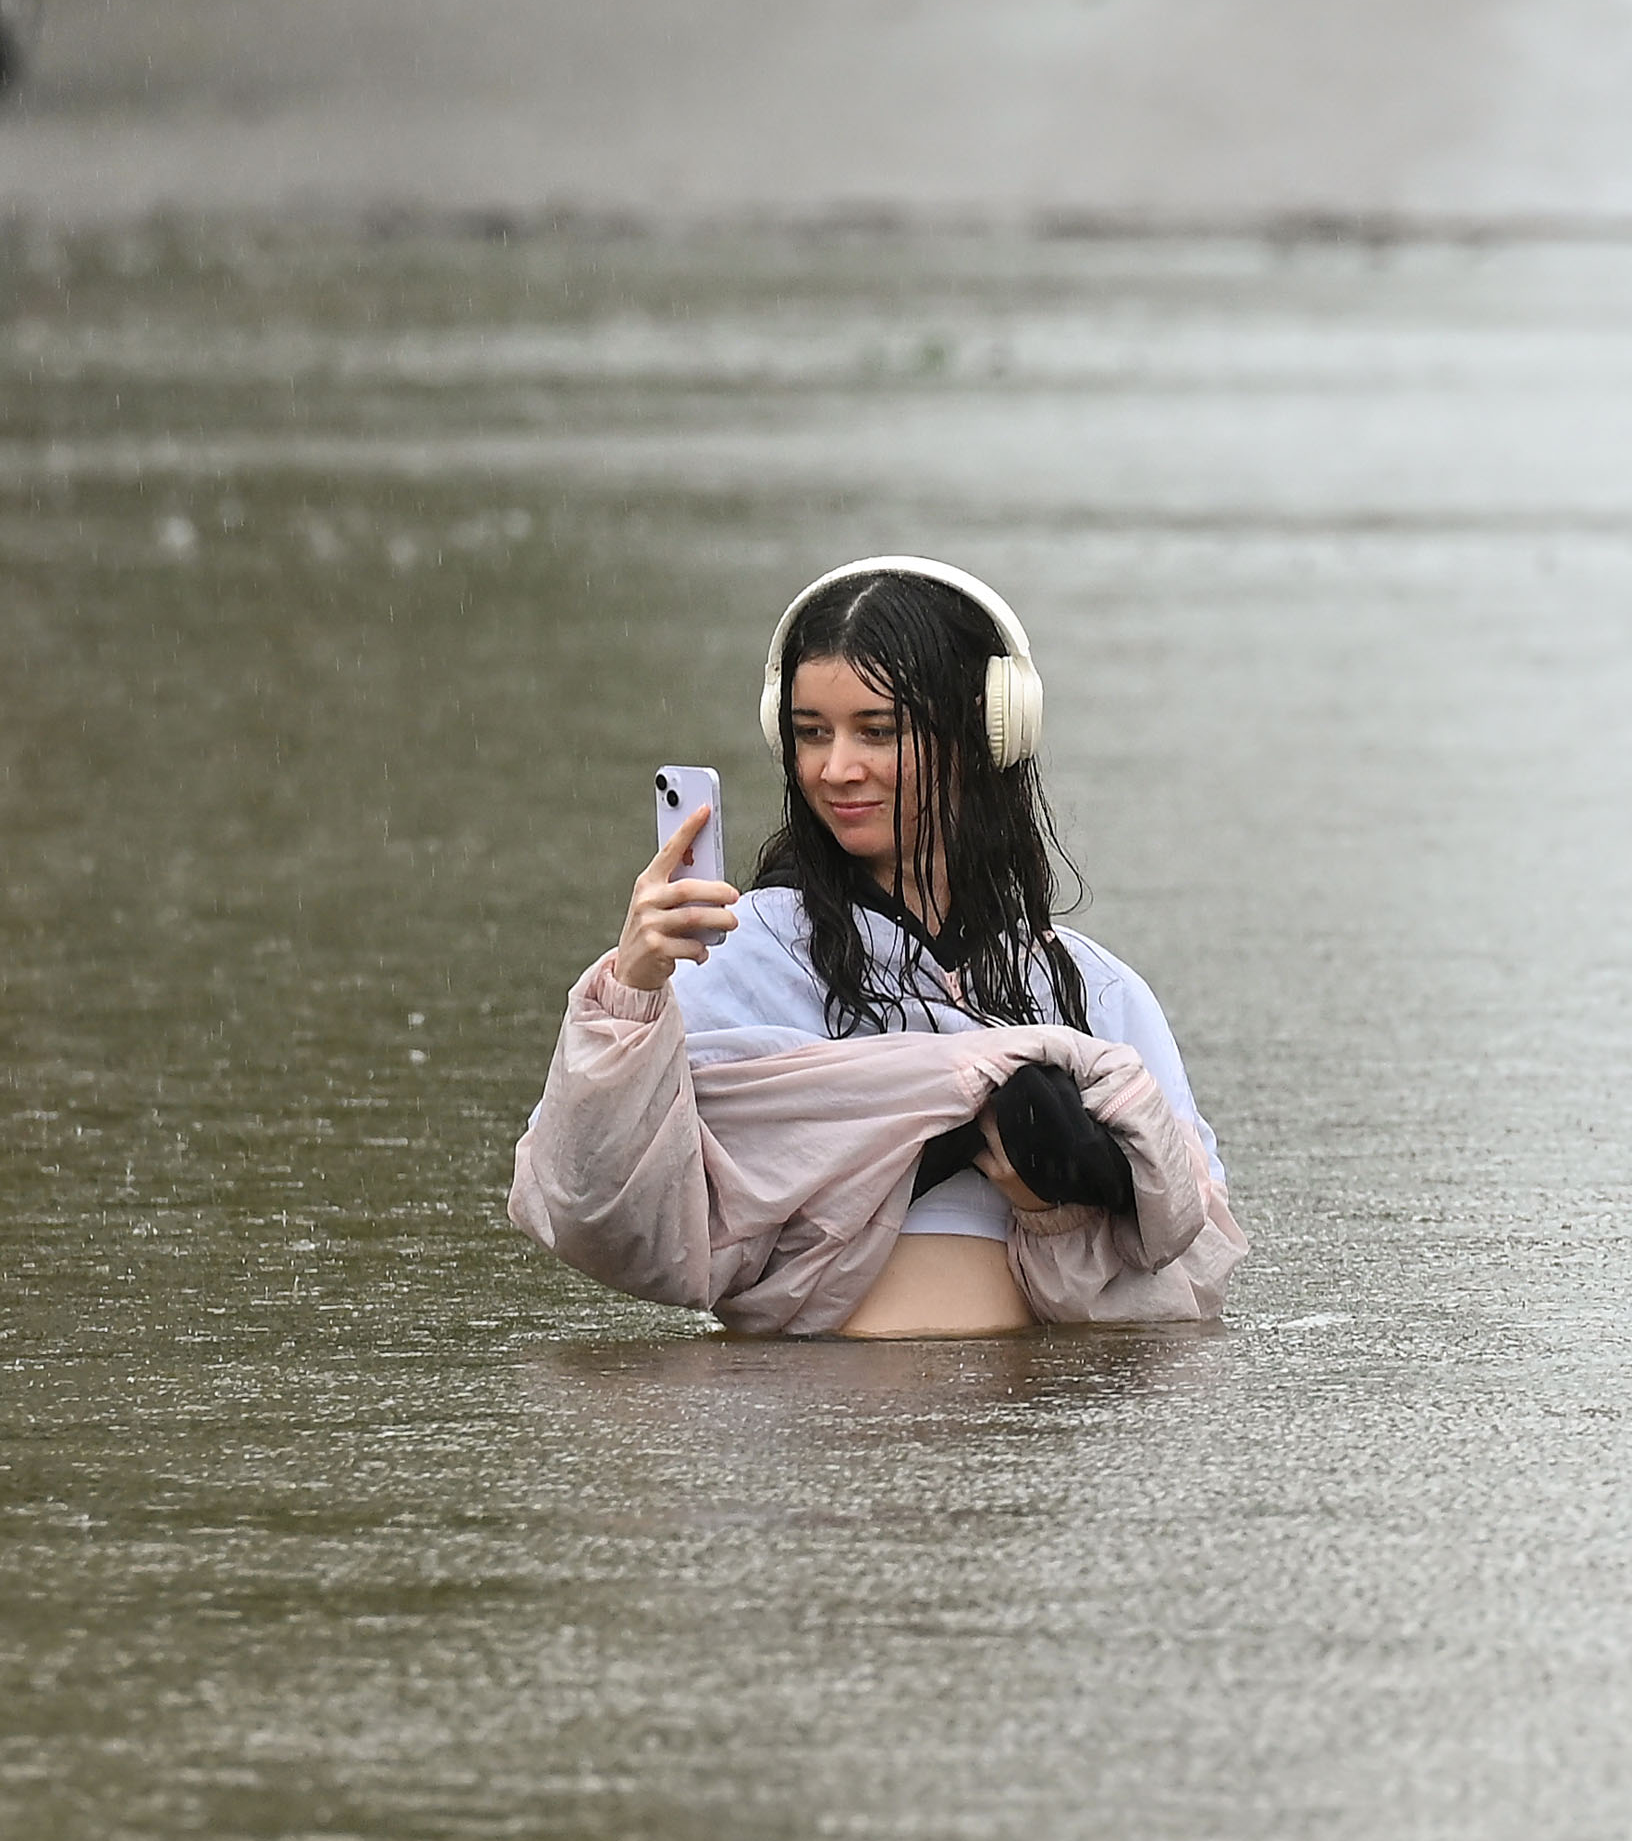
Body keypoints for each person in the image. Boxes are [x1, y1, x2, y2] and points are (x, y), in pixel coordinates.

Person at [519, 556, 1244, 1337]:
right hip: (800, 1434)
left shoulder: (1095, 992)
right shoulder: (730, 958)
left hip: (1030, 1433)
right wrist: (630, 991)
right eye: (809, 734)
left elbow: (1192, 1272)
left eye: (878, 730)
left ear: (986, 730)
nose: (836, 769)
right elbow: (598, 1213)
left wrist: (1052, 1200)